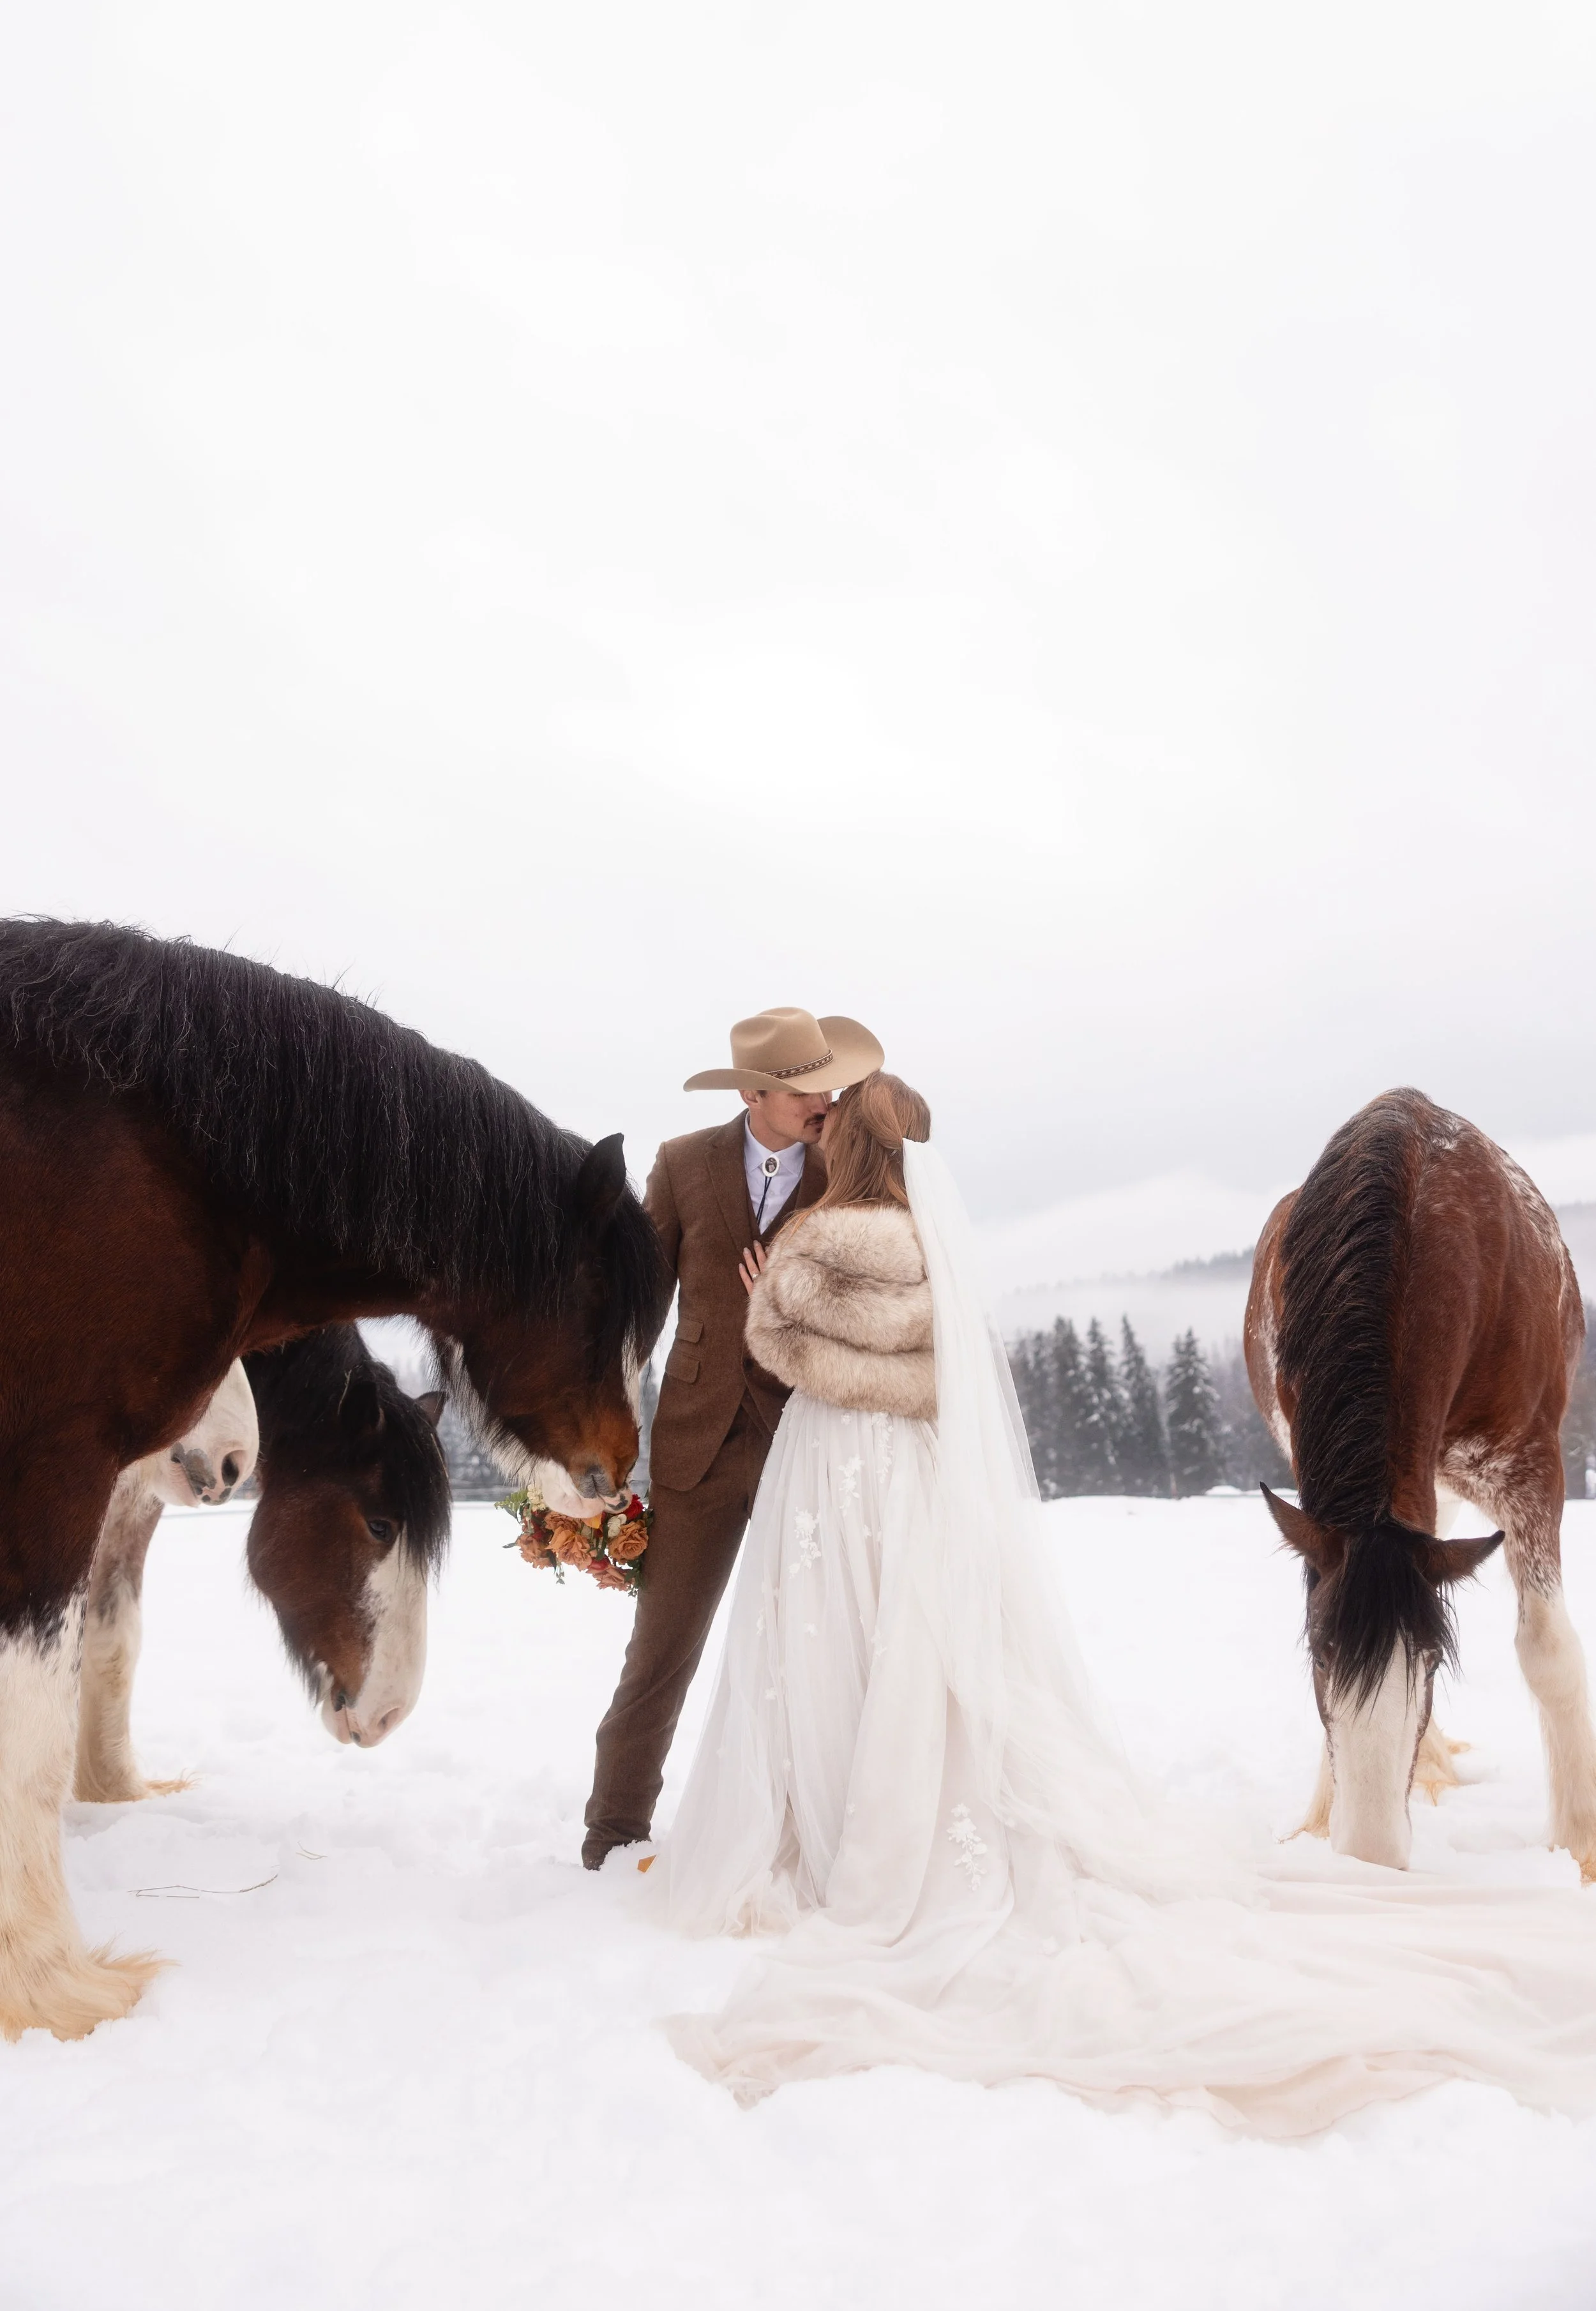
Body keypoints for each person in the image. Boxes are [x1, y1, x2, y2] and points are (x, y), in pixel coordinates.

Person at [653, 1072, 1596, 2133]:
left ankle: (834, 1830)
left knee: (831, 1655)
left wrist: (766, 1287)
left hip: (833, 1470)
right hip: (906, 1473)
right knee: (921, 1650)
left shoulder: (817, 1249)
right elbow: (947, 1373)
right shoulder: (935, 1248)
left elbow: (783, 1353)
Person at [582, 1005, 884, 1871]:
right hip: (695, 1445)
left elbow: (871, 1300)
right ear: (755, 1092)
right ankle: (613, 1832)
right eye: (803, 1089)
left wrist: (792, 1305)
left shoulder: (848, 1167)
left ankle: (833, 1839)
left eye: (826, 1082)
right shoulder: (681, 1165)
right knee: (660, 1654)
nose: (824, 1099)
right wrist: (607, 1433)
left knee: (827, 1651)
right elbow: (639, 1314)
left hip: (813, 1440)